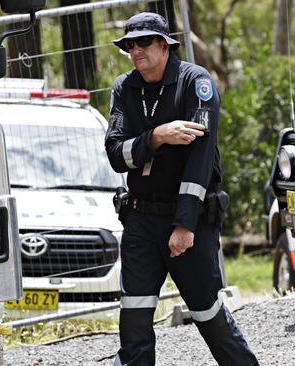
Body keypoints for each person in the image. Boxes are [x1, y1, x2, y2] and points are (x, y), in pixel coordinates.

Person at [105, 12, 259, 366]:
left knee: (207, 313)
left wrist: (185, 224)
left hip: (189, 220)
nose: (136, 50)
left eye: (144, 42)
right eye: (130, 44)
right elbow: (115, 153)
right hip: (140, 219)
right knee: (134, 319)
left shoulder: (196, 83)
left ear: (164, 45)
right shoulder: (123, 88)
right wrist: (157, 136)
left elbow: (200, 161)